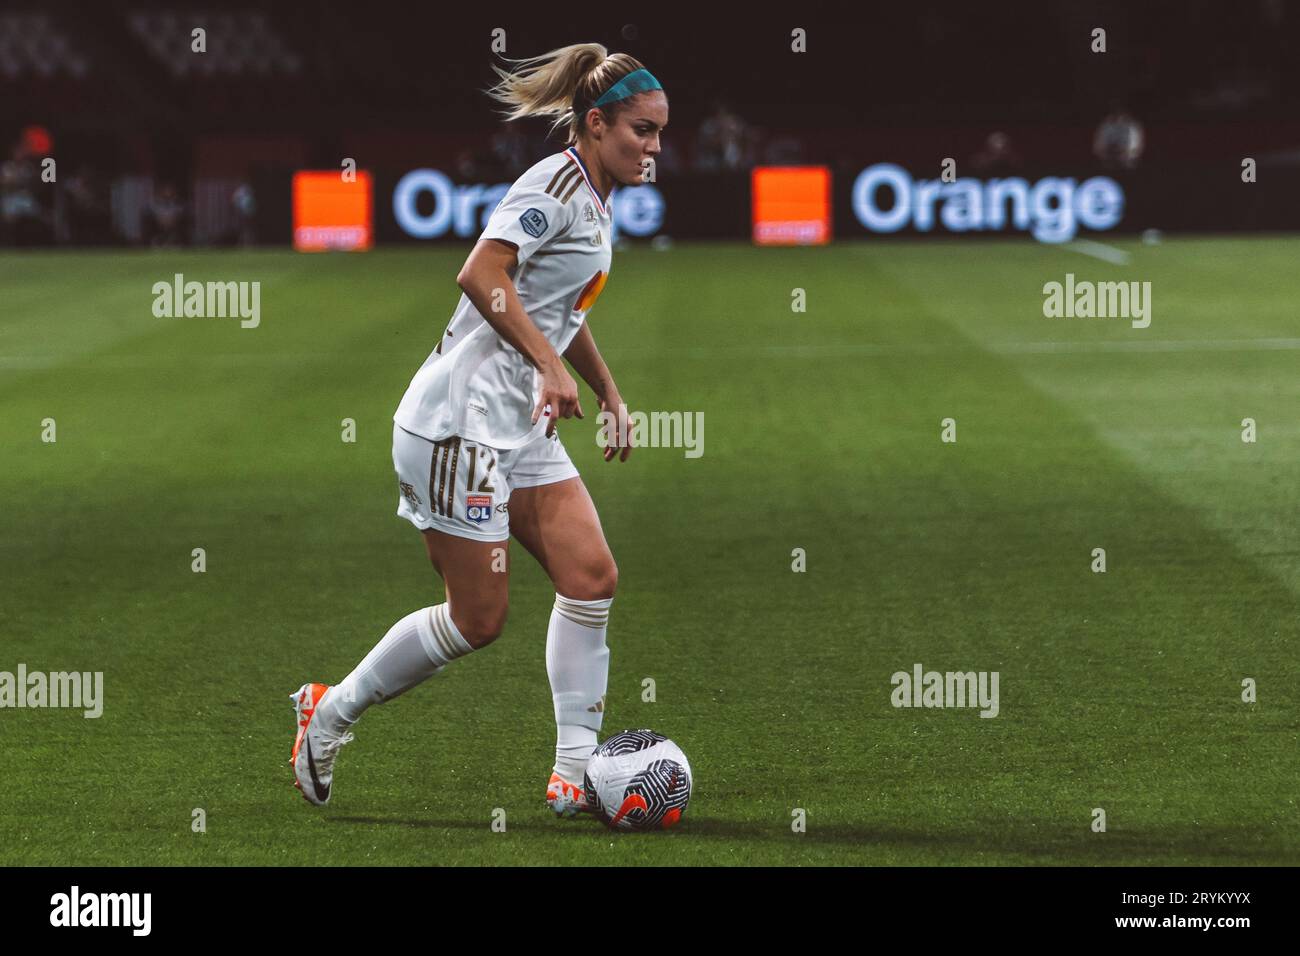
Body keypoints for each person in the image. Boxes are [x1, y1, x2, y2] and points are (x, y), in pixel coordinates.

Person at [289, 43, 668, 818]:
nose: (654, 147)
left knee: (592, 577)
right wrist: (548, 367)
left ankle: (574, 776)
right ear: (595, 125)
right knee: (478, 619)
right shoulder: (554, 184)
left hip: (518, 423)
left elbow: (561, 310)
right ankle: (328, 713)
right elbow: (481, 273)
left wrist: (605, 390)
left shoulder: (595, 197)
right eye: (641, 130)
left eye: (661, 133)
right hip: (457, 428)